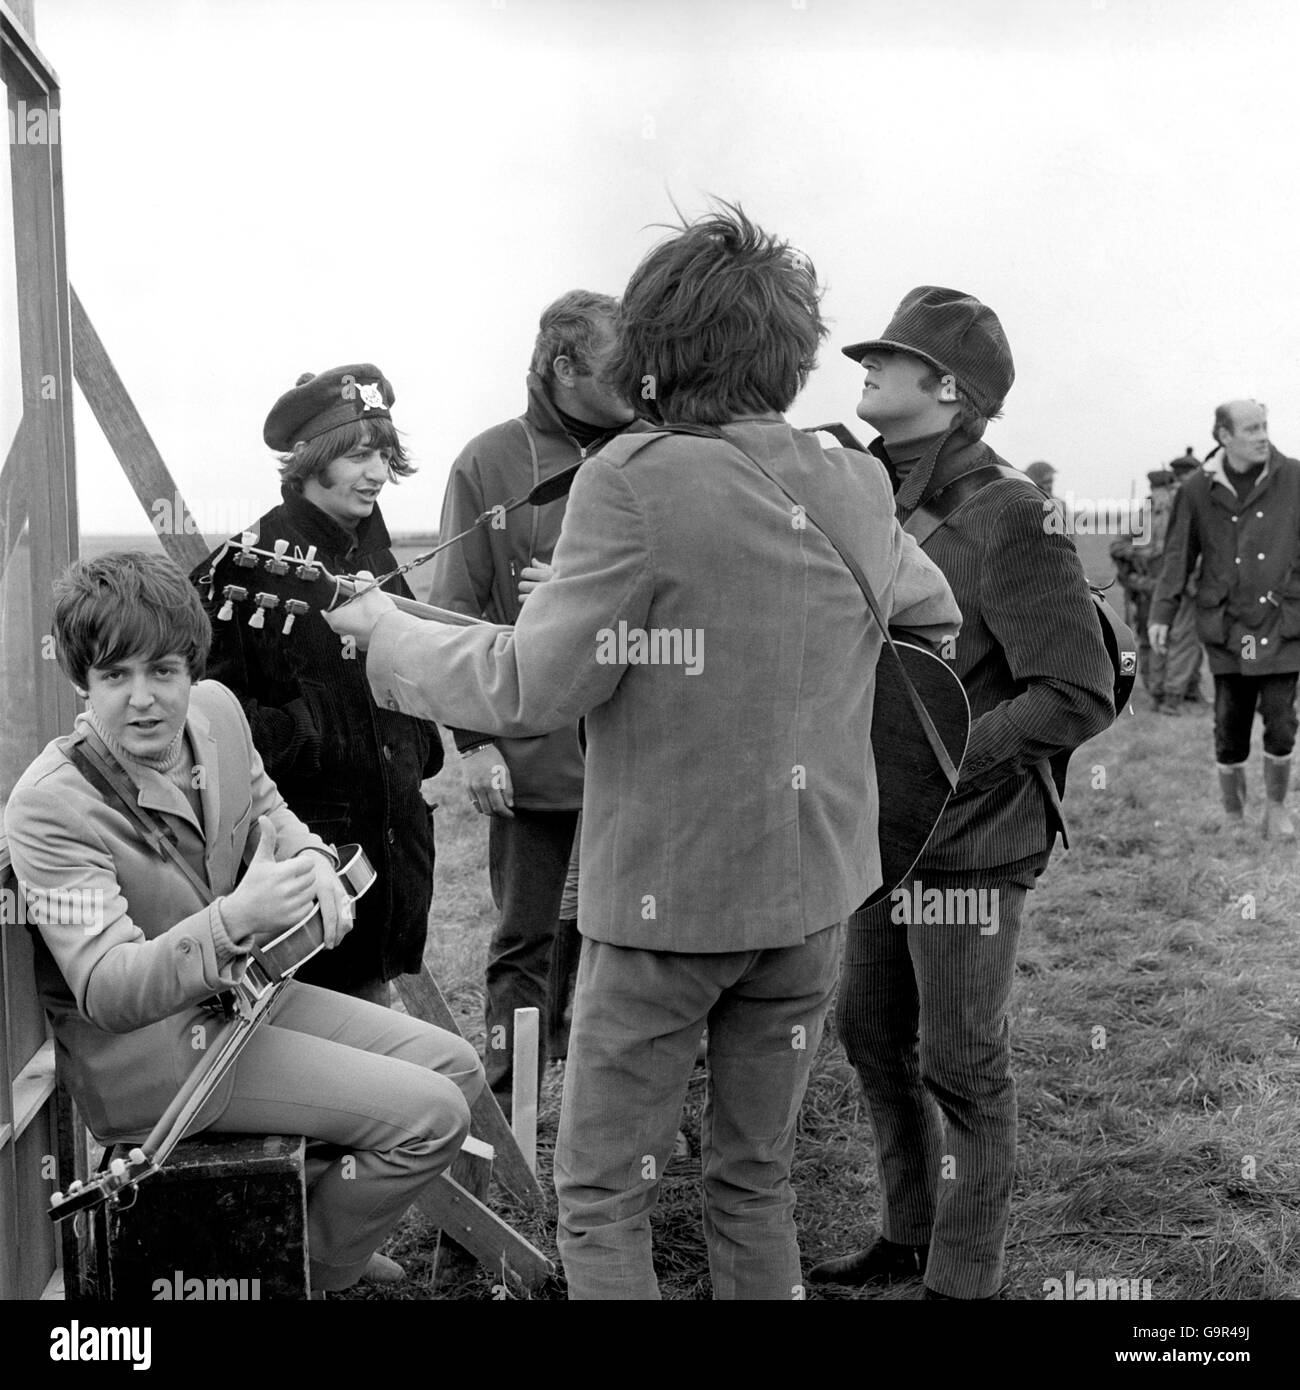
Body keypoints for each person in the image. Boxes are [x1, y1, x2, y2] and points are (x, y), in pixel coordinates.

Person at [324, 206, 961, 1299]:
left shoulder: (633, 476)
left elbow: (533, 683)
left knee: (602, 1192)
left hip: (668, 906)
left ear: (658, 350)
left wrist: (386, 634)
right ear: (792, 350)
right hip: (816, 897)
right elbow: (931, 619)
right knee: (754, 1181)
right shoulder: (850, 478)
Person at [4, 552, 483, 1295]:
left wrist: (316, 858)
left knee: (458, 1067)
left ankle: (304, 1241)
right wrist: (235, 921)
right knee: (431, 1116)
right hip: (156, 1063)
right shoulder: (50, 806)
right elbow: (105, 987)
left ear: (192, 669)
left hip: (244, 1000)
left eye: (163, 671)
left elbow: (268, 810)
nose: (143, 699)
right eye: (114, 676)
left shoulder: (219, 714)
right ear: (80, 681)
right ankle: (314, 1271)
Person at [811, 286, 1114, 1299]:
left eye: (889, 358)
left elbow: (1075, 690)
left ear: (946, 387)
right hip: (877, 830)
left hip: (974, 839)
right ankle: (907, 1232)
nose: (867, 366)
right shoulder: (859, 491)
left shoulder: (1010, 513)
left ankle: (961, 1278)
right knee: (868, 1034)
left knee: (961, 1063)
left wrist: (944, 758)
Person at [426, 291, 639, 1110]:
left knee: (639, 944)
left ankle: (620, 1120)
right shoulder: (489, 462)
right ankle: (512, 1124)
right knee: (528, 940)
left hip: (645, 755)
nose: (643, 382)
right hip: (535, 757)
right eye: (622, 368)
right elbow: (455, 615)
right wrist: (475, 745)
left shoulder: (655, 453)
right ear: (562, 367)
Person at [192, 365, 444, 1005]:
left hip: (388, 866)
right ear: (309, 460)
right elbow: (204, 723)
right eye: (359, 455)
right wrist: (303, 734)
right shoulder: (244, 570)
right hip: (305, 873)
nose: (378, 473)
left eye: (384, 455)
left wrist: (422, 747)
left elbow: (415, 663)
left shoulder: (374, 550)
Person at [1151, 400, 1300, 838]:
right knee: (1229, 724)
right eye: (1250, 428)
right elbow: (1179, 554)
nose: (1261, 435)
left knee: (1281, 720)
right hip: (1228, 627)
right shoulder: (1196, 489)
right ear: (1224, 436)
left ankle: (1277, 809)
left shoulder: (1295, 477)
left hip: (1281, 621)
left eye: (1264, 427)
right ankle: (1234, 816)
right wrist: (1162, 612)